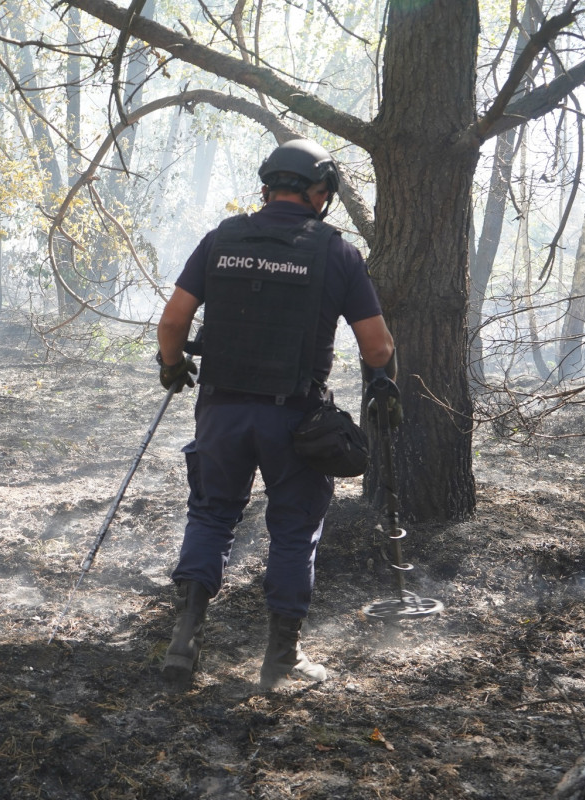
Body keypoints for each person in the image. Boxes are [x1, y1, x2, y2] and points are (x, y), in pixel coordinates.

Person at [154, 138, 399, 691]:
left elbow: (173, 324)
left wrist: (172, 367)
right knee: (293, 531)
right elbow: (378, 348)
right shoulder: (336, 253)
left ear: (266, 187)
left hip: (220, 410)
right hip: (296, 420)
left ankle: (183, 643)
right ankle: (280, 660)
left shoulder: (221, 239)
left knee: (212, 516)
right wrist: (383, 380)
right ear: (320, 193)